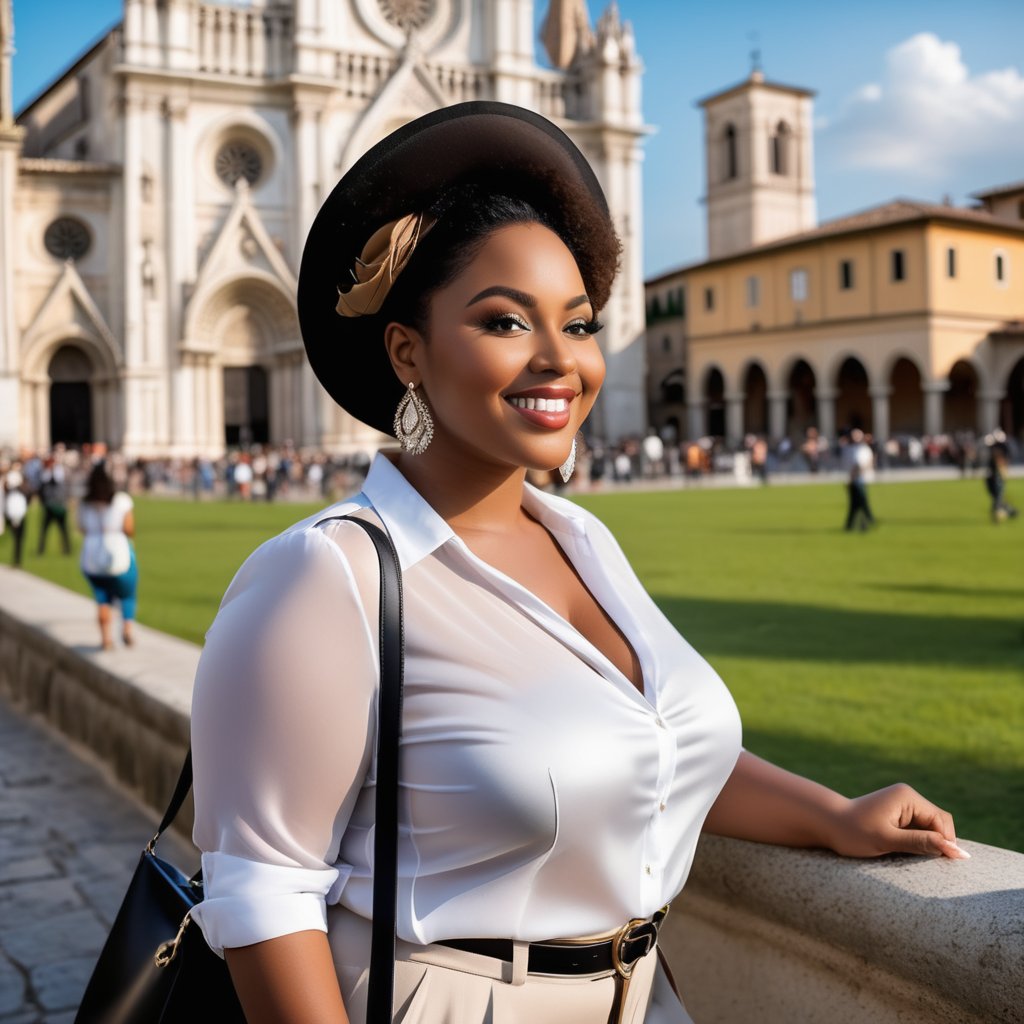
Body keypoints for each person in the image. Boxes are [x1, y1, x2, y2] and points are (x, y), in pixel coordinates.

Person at [188, 103, 966, 1024]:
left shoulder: (585, 539)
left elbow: (658, 748)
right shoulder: (328, 575)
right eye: (506, 321)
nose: (560, 361)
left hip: (644, 999)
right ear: (407, 349)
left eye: (581, 324)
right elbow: (265, 900)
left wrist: (832, 816)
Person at [77, 461, 138, 650]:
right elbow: (129, 528)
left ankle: (106, 639)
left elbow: (81, 528)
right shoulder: (121, 500)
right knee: (127, 594)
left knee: (102, 598)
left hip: (92, 555)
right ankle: (127, 628)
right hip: (117, 552)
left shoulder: (84, 503)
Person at [37, 455, 72, 555]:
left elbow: (59, 481)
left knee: (63, 529)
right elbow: (44, 482)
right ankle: (41, 549)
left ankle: (67, 549)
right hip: (49, 506)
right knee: (44, 529)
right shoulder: (45, 473)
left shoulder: (59, 472)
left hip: (59, 505)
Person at [2, 462, 29, 566]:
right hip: (12, 511)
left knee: (19, 537)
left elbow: (28, 493)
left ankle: (17, 560)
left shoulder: (23, 484)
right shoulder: (8, 486)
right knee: (15, 535)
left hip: (20, 511)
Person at [985, 446, 1018, 522]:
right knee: (998, 499)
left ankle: (1007, 512)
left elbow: (1002, 473)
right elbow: (1001, 473)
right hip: (995, 483)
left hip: (995, 482)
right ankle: (1006, 512)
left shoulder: (996, 461)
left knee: (998, 500)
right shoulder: (996, 462)